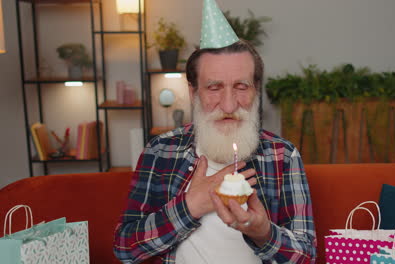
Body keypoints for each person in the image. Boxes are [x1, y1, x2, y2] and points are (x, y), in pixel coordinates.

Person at [113, 1, 316, 263]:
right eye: (214, 87)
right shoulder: (160, 150)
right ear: (193, 92)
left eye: (241, 86)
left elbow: (306, 256)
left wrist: (263, 233)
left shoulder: (283, 156)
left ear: (255, 90)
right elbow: (124, 249)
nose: (229, 105)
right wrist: (190, 206)